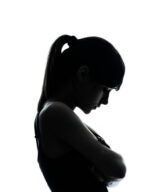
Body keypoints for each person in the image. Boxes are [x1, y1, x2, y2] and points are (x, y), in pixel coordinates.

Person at [34, 35, 127, 192]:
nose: (105, 101)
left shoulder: (56, 113)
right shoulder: (55, 112)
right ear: (83, 74)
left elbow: (114, 174)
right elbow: (118, 169)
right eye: (105, 90)